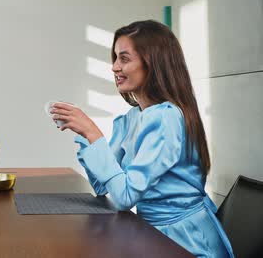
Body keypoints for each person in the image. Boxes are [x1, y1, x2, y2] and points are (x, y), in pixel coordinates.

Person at [50, 20, 234, 257]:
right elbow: (100, 186)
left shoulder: (165, 119)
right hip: (155, 236)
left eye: (124, 59)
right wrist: (85, 134)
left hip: (186, 243)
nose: (115, 67)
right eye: (115, 58)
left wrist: (94, 134)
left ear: (153, 63)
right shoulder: (132, 118)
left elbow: (125, 196)